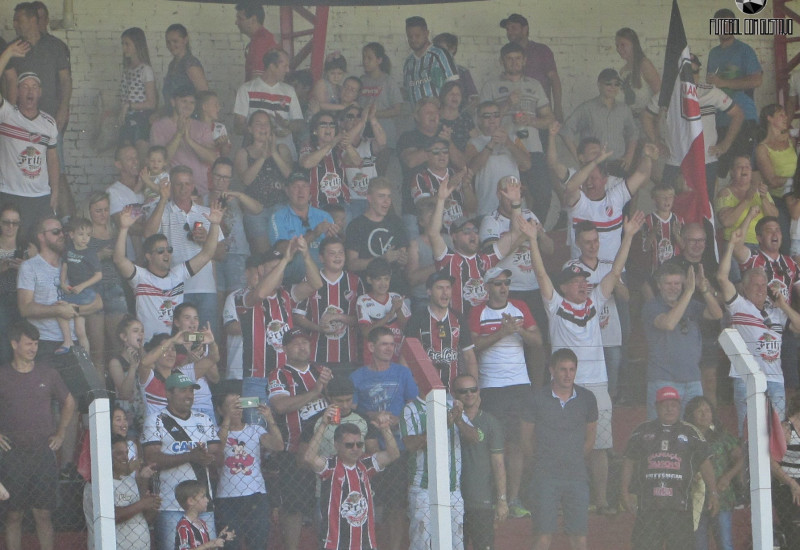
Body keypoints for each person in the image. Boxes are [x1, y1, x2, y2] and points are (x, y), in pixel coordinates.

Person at [527, 211, 644, 515]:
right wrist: (532, 241)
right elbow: (540, 275)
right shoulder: (555, 306)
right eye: (576, 281)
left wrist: (629, 236)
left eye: (584, 280)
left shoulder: (595, 302)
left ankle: (601, 501)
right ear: (564, 287)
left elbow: (614, 272)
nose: (582, 284)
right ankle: (561, 501)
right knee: (562, 446)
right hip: (566, 387)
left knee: (600, 447)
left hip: (598, 386)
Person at [469, 265, 541, 517]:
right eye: (498, 283)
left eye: (506, 283)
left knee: (517, 443)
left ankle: (514, 499)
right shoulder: (478, 311)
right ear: (487, 287)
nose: (503, 288)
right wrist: (502, 332)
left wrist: (518, 329)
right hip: (491, 387)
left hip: (520, 386)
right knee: (493, 444)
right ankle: (492, 498)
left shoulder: (520, 307)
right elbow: (473, 345)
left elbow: (538, 341)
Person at [0, 321, 76, 550]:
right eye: (28, 344)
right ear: (14, 344)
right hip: (12, 453)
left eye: (35, 343)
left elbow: (69, 402)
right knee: (14, 515)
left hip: (43, 452)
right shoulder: (2, 375)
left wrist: (61, 433)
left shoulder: (48, 373)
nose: (33, 348)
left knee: (43, 514)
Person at [718, 227, 800, 431]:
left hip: (775, 380)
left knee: (777, 434)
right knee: (748, 433)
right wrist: (731, 245)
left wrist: (783, 305)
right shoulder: (739, 306)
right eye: (755, 285)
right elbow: (722, 278)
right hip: (746, 379)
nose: (761, 289)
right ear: (745, 288)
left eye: (764, 285)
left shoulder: (777, 312)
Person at [621, 386, 719, 550]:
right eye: (665, 405)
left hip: (680, 507)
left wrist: (713, 493)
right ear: (656, 406)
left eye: (673, 405)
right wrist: (624, 491)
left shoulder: (691, 432)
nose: (669, 409)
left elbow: (705, 464)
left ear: (679, 407)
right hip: (648, 507)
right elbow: (628, 462)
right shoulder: (642, 431)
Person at [237, 239, 321, 424]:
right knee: (255, 430)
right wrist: (284, 261)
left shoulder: (286, 294)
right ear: (260, 270)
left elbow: (316, 284)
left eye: (281, 269)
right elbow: (260, 294)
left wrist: (306, 255)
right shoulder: (243, 295)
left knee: (287, 429)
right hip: (254, 381)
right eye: (274, 268)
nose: (280, 273)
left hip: (285, 378)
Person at [520, 349, 598, 550]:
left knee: (579, 537)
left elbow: (590, 438)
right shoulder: (536, 398)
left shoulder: (587, 398)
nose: (568, 374)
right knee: (543, 536)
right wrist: (542, 461)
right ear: (552, 370)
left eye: (572, 369)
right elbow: (525, 439)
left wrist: (573, 459)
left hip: (577, 476)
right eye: (563, 369)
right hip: (545, 476)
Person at [349, 326, 419, 550]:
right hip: (367, 450)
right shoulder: (357, 376)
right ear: (371, 347)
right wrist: (373, 416)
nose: (390, 348)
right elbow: (351, 409)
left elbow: (414, 403)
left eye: (392, 344)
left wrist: (398, 419)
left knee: (396, 505)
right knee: (365, 504)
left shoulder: (402, 373)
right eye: (384, 344)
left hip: (398, 447)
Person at [113, 202, 222, 341]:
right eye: (160, 251)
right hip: (149, 346)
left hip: (176, 345)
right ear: (148, 256)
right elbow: (119, 260)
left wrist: (215, 224)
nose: (166, 254)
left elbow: (207, 254)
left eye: (169, 250)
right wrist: (124, 229)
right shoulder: (140, 277)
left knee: (207, 340)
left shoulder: (178, 274)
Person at [642, 53, 743, 201]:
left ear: (699, 72)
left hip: (706, 161)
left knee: (705, 207)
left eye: (694, 72)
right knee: (670, 206)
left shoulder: (711, 92)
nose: (690, 76)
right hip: (676, 162)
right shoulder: (667, 93)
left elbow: (738, 114)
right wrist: (656, 141)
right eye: (686, 72)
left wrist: (725, 144)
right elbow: (646, 116)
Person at [142, 371, 222, 550]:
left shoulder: (204, 419)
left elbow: (218, 455)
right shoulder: (155, 420)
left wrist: (208, 457)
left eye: (191, 391)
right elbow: (152, 459)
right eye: (183, 390)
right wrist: (190, 456)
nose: (189, 395)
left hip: (203, 504)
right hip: (170, 504)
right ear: (168, 393)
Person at [267, 328, 332, 550]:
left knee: (326, 505)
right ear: (284, 349)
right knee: (293, 508)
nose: (302, 346)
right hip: (293, 451)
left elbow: (340, 400)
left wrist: (328, 388)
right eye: (296, 343)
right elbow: (280, 405)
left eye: (305, 342)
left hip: (326, 450)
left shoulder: (321, 370)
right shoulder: (278, 374)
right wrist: (315, 391)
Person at [305, 407, 400, 550]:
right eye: (349, 445)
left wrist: (385, 429)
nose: (355, 448)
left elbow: (393, 455)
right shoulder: (330, 466)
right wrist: (323, 425)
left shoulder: (365, 465)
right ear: (337, 445)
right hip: (335, 544)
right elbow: (309, 457)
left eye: (359, 444)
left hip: (365, 543)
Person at [144, 166, 224, 334]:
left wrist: (206, 240)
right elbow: (148, 235)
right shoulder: (162, 211)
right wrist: (163, 199)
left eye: (187, 184)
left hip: (205, 287)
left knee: (206, 337)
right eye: (178, 184)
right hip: (176, 288)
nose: (183, 188)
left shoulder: (207, 213)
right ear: (171, 186)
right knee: (181, 339)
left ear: (193, 185)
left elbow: (221, 254)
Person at [480, 41, 555, 221]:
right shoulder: (491, 85)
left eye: (518, 59)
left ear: (524, 60)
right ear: (501, 61)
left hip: (533, 148)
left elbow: (549, 119)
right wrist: (507, 104)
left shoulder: (534, 85)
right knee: (506, 198)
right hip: (504, 151)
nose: (514, 62)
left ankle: (533, 231)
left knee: (543, 194)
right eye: (509, 59)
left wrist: (531, 120)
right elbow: (482, 122)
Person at [428, 174, 520, 317]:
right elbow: (433, 233)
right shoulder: (448, 260)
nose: (473, 235)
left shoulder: (487, 258)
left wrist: (515, 203)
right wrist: (440, 200)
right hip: (459, 323)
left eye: (475, 231)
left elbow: (515, 233)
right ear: (454, 236)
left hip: (484, 322)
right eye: (466, 231)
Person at [643, 263, 723, 419]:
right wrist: (688, 291)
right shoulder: (652, 306)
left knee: (694, 428)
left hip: (693, 379)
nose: (673, 288)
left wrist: (704, 290)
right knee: (663, 428)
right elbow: (668, 323)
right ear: (659, 285)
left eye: (677, 283)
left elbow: (717, 314)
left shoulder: (690, 304)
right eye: (668, 283)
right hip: (663, 379)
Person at [402, 388, 476, 550]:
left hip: (453, 488)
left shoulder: (451, 405)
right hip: (423, 488)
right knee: (421, 541)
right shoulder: (411, 409)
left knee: (457, 542)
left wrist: (458, 420)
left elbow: (475, 438)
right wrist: (442, 425)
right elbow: (411, 445)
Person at [0, 40, 59, 238]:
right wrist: (7, 54)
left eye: (34, 87)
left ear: (40, 92)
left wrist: (55, 192)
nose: (30, 91)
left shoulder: (49, 123)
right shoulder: (6, 115)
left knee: (37, 245)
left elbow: (52, 159)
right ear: (17, 91)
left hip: (40, 196)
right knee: (10, 244)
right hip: (10, 193)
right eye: (24, 87)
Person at [561, 141, 656, 262]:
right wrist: (595, 162)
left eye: (593, 178)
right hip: (581, 272)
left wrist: (647, 157)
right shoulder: (578, 202)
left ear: (605, 179)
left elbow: (641, 174)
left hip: (613, 271)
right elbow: (570, 187)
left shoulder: (616, 197)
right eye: (586, 178)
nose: (588, 182)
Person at [563, 221, 626, 400]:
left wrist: (614, 283)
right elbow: (566, 296)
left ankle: (610, 401)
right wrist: (603, 287)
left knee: (614, 364)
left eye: (596, 241)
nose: (593, 246)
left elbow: (626, 297)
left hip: (609, 330)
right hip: (583, 333)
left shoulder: (610, 266)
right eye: (588, 242)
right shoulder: (571, 267)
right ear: (578, 243)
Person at [214, 390, 283, 550]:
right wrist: (227, 419)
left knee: (258, 544)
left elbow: (278, 446)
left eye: (239, 405)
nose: (237, 409)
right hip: (227, 497)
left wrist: (269, 418)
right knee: (230, 545)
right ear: (220, 410)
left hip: (256, 494)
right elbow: (217, 450)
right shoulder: (216, 431)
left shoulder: (254, 430)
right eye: (231, 405)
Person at [397, 97, 466, 234]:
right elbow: (410, 161)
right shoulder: (408, 137)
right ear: (416, 116)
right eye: (428, 113)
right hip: (415, 211)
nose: (433, 116)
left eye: (435, 113)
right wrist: (435, 145)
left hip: (448, 211)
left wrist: (449, 142)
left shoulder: (445, 136)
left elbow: (462, 164)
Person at [454, 373, 507, 550]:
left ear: (479, 391)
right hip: (452, 498)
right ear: (454, 394)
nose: (469, 394)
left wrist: (501, 499)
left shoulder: (490, 422)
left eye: (473, 389)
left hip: (481, 499)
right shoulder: (446, 420)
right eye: (463, 391)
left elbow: (498, 464)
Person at [707, 8, 762, 178]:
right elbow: (712, 86)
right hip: (720, 119)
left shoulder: (744, 50)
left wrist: (723, 82)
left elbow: (757, 80)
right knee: (721, 173)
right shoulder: (713, 53)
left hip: (744, 118)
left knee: (745, 170)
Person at [294, 236, 363, 366]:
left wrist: (338, 317)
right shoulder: (310, 280)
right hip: (316, 356)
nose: (338, 256)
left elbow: (362, 320)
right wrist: (319, 328)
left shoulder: (355, 281)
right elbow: (298, 317)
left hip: (348, 357)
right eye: (332, 253)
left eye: (341, 252)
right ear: (321, 258)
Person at [684, 396, 742, 550]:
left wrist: (728, 477)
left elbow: (741, 458)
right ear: (691, 415)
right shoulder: (685, 438)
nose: (704, 414)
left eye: (707, 410)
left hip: (722, 497)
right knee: (699, 545)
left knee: (725, 544)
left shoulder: (722, 435)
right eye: (699, 411)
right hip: (695, 498)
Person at [406, 271, 479, 390]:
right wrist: (409, 390)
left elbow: (469, 357)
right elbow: (406, 357)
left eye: (448, 288)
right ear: (429, 291)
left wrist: (475, 389)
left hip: (454, 389)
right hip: (425, 390)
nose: (445, 292)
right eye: (440, 288)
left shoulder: (458, 318)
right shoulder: (417, 319)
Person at [206, 156, 261, 307]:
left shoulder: (237, 199)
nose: (221, 181)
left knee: (237, 298)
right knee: (216, 299)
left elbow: (258, 209)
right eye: (218, 176)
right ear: (211, 175)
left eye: (225, 177)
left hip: (238, 254)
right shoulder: (202, 199)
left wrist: (238, 195)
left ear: (231, 179)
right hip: (213, 255)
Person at [234, 110, 292, 254]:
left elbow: (290, 177)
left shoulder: (282, 149)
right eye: (258, 124)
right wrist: (262, 157)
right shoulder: (243, 153)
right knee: (263, 254)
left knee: (283, 251)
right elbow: (246, 180)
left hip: (281, 206)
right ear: (250, 129)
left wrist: (274, 153)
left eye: (266, 124)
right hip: (255, 209)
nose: (263, 127)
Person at [562, 68, 638, 174]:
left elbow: (633, 133)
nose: (613, 87)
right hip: (594, 167)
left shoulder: (624, 109)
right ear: (599, 85)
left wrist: (628, 157)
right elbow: (566, 131)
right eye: (608, 84)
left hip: (618, 165)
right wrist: (580, 160)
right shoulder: (587, 108)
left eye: (616, 84)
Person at [84, 192, 128, 372]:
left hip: (114, 288)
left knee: (121, 346)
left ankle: (121, 388)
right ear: (88, 211)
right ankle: (100, 389)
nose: (103, 214)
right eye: (98, 210)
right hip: (92, 291)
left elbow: (124, 261)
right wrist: (98, 256)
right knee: (97, 351)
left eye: (106, 209)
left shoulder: (116, 231)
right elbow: (74, 264)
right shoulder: (83, 233)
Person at [233, 49, 304, 160]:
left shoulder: (289, 90)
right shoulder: (246, 89)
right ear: (272, 66)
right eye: (284, 66)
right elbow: (238, 127)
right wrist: (262, 131)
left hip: (285, 155)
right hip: (254, 155)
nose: (287, 70)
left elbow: (299, 124)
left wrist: (287, 125)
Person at [465, 101, 532, 216]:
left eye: (496, 115)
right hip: (487, 208)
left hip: (515, 207)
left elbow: (527, 165)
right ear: (479, 120)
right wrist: (491, 144)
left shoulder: (513, 139)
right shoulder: (473, 143)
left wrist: (508, 143)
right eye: (487, 116)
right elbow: (471, 170)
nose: (492, 119)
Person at [345, 177, 410, 294]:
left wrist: (403, 259)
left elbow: (403, 256)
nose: (386, 201)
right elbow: (352, 264)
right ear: (369, 198)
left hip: (396, 289)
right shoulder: (356, 225)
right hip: (367, 291)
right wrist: (382, 259)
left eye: (389, 196)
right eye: (381, 196)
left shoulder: (396, 223)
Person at [150, 87, 218, 198]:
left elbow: (213, 158)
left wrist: (189, 140)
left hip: (200, 192)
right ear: (173, 102)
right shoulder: (159, 126)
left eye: (192, 102)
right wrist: (178, 134)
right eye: (184, 101)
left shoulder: (202, 127)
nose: (188, 105)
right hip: (173, 193)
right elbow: (160, 161)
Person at [269, 173, 336, 283]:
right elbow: (281, 249)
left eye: (305, 186)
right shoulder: (278, 216)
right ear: (287, 191)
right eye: (295, 187)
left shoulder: (324, 216)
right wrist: (314, 234)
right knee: (299, 258)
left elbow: (336, 246)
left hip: (322, 268)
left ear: (310, 191)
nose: (301, 191)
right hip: (295, 271)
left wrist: (335, 237)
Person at [500, 13, 563, 122]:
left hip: (541, 113)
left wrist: (558, 109)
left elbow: (554, 79)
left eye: (513, 28)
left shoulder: (541, 50)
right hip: (514, 113)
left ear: (525, 29)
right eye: (507, 29)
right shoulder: (506, 52)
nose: (509, 32)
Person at [755, 104, 797, 255]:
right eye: (781, 114)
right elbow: (771, 180)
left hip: (796, 196)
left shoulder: (790, 139)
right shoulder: (762, 148)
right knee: (786, 241)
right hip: (779, 201)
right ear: (769, 118)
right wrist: (794, 181)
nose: (785, 117)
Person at [411, 137, 476, 232]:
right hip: (437, 232)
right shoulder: (420, 177)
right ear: (427, 155)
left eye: (445, 151)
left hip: (461, 232)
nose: (442, 155)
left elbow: (472, 209)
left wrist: (466, 187)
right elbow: (421, 205)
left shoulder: (457, 174)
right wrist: (449, 186)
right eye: (436, 152)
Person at [300, 110, 362, 209]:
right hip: (317, 206)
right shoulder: (308, 146)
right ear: (315, 130)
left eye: (332, 125)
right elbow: (306, 163)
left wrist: (347, 144)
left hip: (341, 205)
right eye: (323, 125)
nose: (328, 128)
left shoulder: (339, 148)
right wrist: (332, 143)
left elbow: (357, 162)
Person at [356, 257, 410, 365]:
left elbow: (408, 329)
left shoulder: (396, 297)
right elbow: (366, 333)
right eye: (378, 279)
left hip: (397, 360)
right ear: (369, 280)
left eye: (386, 279)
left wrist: (398, 309)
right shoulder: (363, 300)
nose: (383, 283)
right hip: (373, 362)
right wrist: (389, 315)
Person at [110, 433, 158, 550]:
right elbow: (111, 516)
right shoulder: (101, 484)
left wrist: (152, 506)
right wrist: (142, 504)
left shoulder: (130, 481)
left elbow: (144, 517)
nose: (126, 458)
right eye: (119, 453)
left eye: (126, 453)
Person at [339, 103, 387, 219]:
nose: (355, 119)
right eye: (350, 116)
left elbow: (382, 143)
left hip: (372, 199)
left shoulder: (367, 143)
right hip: (350, 201)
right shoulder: (338, 144)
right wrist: (362, 121)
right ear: (341, 123)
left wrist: (372, 118)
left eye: (359, 116)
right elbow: (347, 144)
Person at [715, 155, 777, 245]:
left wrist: (763, 198)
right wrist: (746, 200)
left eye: (747, 166)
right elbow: (726, 222)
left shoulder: (760, 190)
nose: (744, 169)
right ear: (732, 172)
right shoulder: (725, 193)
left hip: (761, 243)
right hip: (735, 244)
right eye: (739, 166)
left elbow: (774, 218)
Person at [118, 27, 156, 162]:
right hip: (126, 120)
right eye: (123, 44)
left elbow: (151, 103)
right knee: (127, 161)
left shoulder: (145, 70)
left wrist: (129, 106)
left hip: (141, 120)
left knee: (141, 161)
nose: (124, 48)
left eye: (127, 44)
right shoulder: (127, 70)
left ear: (137, 45)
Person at [402, 16, 458, 106]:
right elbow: (407, 92)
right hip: (416, 114)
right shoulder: (408, 62)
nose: (413, 40)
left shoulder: (440, 54)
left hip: (439, 112)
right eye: (410, 36)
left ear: (426, 33)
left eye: (417, 36)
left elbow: (454, 85)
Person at [359, 42, 405, 151]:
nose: (365, 61)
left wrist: (373, 115)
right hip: (363, 130)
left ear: (379, 60)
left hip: (384, 129)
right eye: (364, 57)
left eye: (369, 58)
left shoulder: (388, 81)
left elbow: (397, 110)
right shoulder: (361, 80)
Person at [771, 393, 800, 549]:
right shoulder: (786, 428)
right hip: (786, 484)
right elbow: (772, 462)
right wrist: (791, 483)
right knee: (794, 533)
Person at [614, 28, 661, 122]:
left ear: (633, 44)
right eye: (617, 46)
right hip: (629, 121)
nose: (619, 49)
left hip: (647, 121)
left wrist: (651, 117)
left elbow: (660, 94)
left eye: (623, 45)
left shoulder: (644, 64)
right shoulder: (623, 71)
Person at [174, 480, 235, 549]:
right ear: (191, 501)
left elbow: (207, 547)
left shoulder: (202, 523)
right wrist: (209, 544)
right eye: (203, 497)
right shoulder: (184, 526)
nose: (207, 500)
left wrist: (219, 539)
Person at [0, 203, 24, 364]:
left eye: (14, 223)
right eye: (6, 222)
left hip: (21, 299)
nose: (10, 226)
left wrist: (25, 267)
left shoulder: (26, 246)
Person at [162, 24, 208, 107]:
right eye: (168, 42)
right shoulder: (172, 64)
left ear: (185, 40)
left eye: (175, 41)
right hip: (173, 112)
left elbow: (204, 95)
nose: (171, 45)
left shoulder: (190, 63)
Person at [235, 0, 278, 82]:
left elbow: (257, 80)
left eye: (240, 18)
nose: (236, 22)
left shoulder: (261, 41)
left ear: (253, 20)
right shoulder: (261, 38)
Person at [438, 80, 477, 153]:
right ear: (443, 96)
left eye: (458, 94)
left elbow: (476, 141)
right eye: (451, 94)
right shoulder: (435, 117)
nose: (455, 97)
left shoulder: (465, 117)